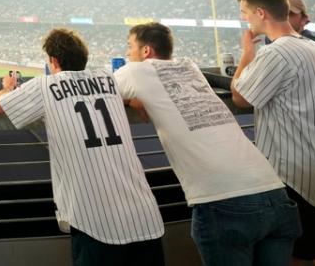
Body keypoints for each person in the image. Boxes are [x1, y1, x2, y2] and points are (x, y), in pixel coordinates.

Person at [115, 22, 298, 265]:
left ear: (146, 51)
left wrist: (132, 100)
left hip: (224, 201)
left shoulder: (134, 71)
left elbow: (96, 94)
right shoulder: (190, 67)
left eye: (130, 48)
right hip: (274, 193)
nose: (128, 54)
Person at [0, 28, 164, 266]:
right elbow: (134, 99)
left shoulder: (45, 85)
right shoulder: (108, 78)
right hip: (144, 217)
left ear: (54, 60)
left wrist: (8, 87)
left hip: (94, 222)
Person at [232, 0, 315, 266]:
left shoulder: (277, 53)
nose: (246, 20)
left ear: (261, 13)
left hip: (294, 173)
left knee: (294, 254)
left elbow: (240, 97)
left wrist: (248, 51)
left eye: (246, 13)